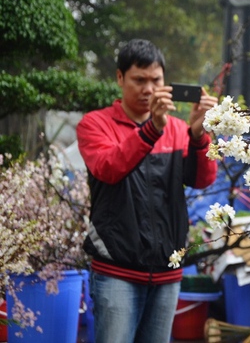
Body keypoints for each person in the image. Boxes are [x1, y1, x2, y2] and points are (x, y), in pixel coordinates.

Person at [76, 38, 218, 343]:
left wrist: (197, 135)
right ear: (119, 77)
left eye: (156, 80)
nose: (148, 89)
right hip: (116, 270)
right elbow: (109, 168)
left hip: (167, 271)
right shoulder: (95, 124)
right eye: (139, 80)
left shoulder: (179, 128)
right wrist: (152, 128)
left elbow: (203, 179)